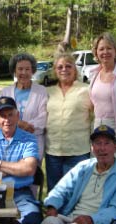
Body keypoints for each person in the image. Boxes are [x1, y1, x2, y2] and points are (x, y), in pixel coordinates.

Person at [42, 125, 116, 224]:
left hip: (100, 221)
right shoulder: (83, 167)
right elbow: (61, 189)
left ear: (115, 147)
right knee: (50, 221)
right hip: (71, 218)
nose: (102, 148)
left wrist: (92, 219)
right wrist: (52, 205)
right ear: (92, 148)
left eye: (107, 143)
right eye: (98, 143)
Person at [0, 96, 43, 224]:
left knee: (33, 218)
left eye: (10, 115)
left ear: (17, 116)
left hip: (20, 194)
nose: (7, 120)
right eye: (2, 116)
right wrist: (16, 168)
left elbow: (28, 169)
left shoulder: (29, 139)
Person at [45, 53, 92, 192]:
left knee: (74, 192)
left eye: (68, 66)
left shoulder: (86, 90)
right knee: (54, 191)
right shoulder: (47, 91)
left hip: (78, 150)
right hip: (53, 151)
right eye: (60, 67)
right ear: (55, 71)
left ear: (75, 69)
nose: (64, 69)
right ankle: (53, 214)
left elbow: (97, 115)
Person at [0, 53, 47, 162]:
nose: (23, 73)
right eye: (20, 69)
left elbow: (44, 117)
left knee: (32, 177)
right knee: (9, 176)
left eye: (27, 69)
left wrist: (26, 126)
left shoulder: (42, 91)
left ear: (32, 71)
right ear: (14, 71)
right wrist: (17, 123)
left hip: (33, 143)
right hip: (9, 144)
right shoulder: (5, 92)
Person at [89, 32, 116, 163]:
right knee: (99, 168)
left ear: (115, 51)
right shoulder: (94, 74)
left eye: (109, 48)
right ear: (96, 53)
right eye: (101, 49)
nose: (105, 52)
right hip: (97, 126)